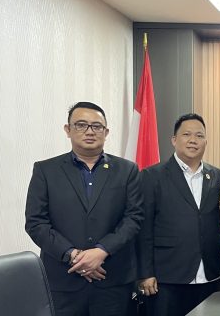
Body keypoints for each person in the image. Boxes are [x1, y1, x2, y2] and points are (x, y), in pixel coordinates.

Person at [25, 101, 143, 316]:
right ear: (68, 130)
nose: (89, 131)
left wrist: (101, 251)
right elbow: (36, 222)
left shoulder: (127, 170)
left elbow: (134, 218)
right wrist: (74, 255)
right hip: (63, 281)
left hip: (112, 280)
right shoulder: (45, 170)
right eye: (81, 125)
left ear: (106, 132)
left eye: (97, 126)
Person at [136, 113, 220, 315]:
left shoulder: (219, 177)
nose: (193, 140)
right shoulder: (151, 176)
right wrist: (145, 273)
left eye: (199, 135)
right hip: (167, 278)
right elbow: (143, 229)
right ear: (174, 140)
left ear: (205, 142)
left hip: (210, 275)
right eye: (186, 134)